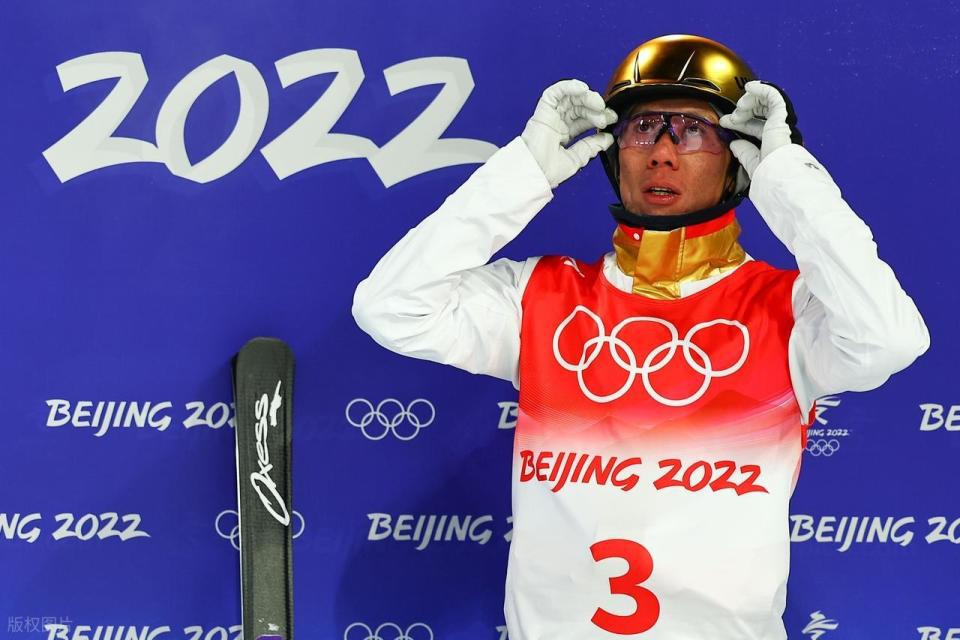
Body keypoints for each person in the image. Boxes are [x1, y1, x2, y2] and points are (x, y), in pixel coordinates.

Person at [351, 34, 929, 640]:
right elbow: (390, 307)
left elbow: (890, 340)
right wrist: (523, 170)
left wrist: (787, 179)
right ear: (614, 153)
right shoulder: (539, 296)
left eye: (694, 131)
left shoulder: (787, 310)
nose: (663, 152)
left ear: (738, 159)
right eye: (644, 128)